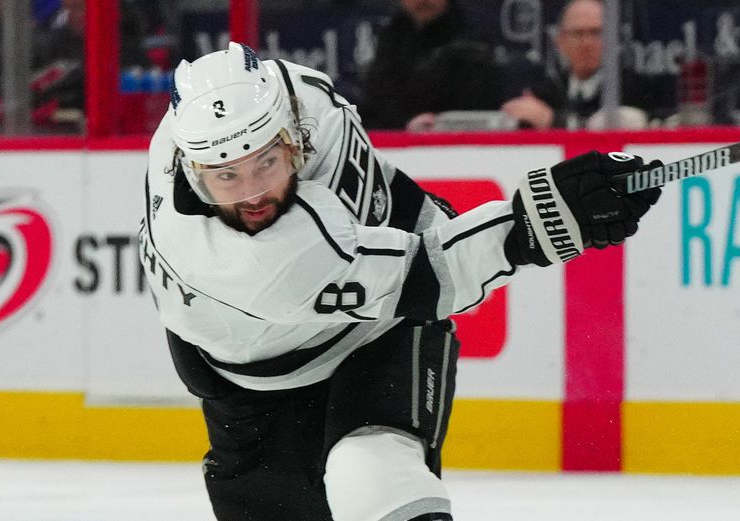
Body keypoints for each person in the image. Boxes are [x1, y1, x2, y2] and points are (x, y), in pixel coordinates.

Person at [141, 42, 662, 521]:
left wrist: (440, 221)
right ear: (191, 170)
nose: (252, 195)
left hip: (375, 333)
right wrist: (543, 221)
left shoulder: (304, 98)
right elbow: (431, 273)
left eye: (265, 165)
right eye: (225, 177)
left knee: (370, 473)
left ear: (293, 136)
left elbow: (373, 187)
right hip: (248, 379)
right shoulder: (240, 259)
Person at [502, 0, 656, 130]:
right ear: (560, 41)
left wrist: (555, 122)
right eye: (577, 33)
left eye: (596, 32)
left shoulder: (634, 89)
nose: (586, 43)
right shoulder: (547, 93)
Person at [358, 0, 503, 131]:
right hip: (402, 137)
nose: (423, 1)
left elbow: (478, 106)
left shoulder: (471, 35)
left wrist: (438, 122)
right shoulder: (392, 36)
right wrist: (405, 123)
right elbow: (377, 101)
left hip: (459, 140)